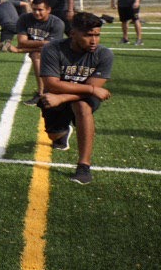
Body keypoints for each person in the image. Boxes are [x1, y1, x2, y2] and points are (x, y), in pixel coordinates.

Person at [37, 12, 114, 185]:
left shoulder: (104, 55)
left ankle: (83, 166)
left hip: (77, 98)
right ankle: (62, 133)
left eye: (97, 35)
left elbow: (90, 93)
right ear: (73, 33)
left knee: (82, 107)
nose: (94, 40)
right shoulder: (52, 48)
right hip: (57, 96)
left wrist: (63, 97)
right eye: (88, 35)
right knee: (54, 135)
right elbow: (52, 84)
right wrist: (92, 89)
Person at [16, 0, 66, 106]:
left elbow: (51, 46)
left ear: (48, 9)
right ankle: (42, 92)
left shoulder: (57, 23)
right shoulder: (24, 19)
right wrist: (43, 43)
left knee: (37, 55)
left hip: (58, 53)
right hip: (40, 50)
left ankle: (43, 92)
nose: (36, 13)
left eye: (40, 10)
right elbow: (21, 42)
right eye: (34, 9)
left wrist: (21, 49)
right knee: (36, 54)